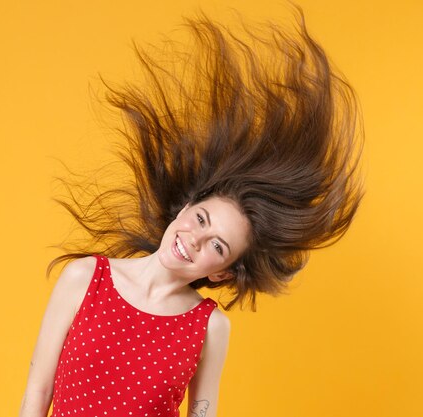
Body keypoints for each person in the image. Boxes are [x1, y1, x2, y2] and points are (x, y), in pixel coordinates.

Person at [18, 4, 364, 417]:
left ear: (221, 272)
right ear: (183, 209)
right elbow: (37, 396)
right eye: (200, 219)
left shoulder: (209, 328)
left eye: (217, 246)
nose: (195, 239)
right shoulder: (85, 278)